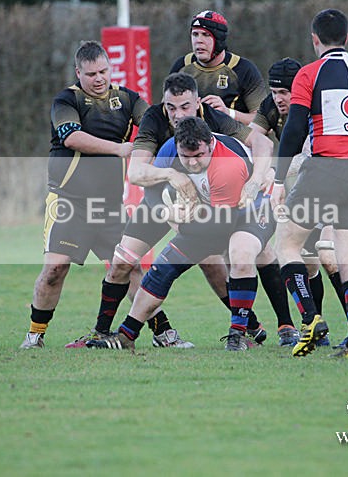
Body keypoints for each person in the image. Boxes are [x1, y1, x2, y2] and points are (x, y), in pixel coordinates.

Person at [81, 72, 273, 348]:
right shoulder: (154, 120)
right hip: (159, 195)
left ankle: (244, 326)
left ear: (197, 103)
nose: (178, 114)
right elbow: (136, 173)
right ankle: (104, 332)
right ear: (163, 104)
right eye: (171, 107)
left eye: (185, 107)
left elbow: (262, 143)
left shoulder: (215, 121)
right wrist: (173, 177)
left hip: (211, 205)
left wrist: (258, 180)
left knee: (214, 261)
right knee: (122, 261)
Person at [272, 8, 348, 358]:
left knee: (288, 246)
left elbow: (294, 130)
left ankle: (310, 319)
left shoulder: (309, 74)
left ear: (315, 40)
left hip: (324, 170)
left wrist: (279, 178)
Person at [19, 40, 149, 349]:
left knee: (131, 269)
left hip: (109, 207)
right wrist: (120, 148)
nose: (99, 78)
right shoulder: (66, 100)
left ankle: (164, 333)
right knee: (54, 269)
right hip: (69, 204)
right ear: (79, 72)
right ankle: (35, 334)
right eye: (91, 74)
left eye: (104, 71)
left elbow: (154, 124)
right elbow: (72, 138)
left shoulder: (127, 99)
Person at [169, 11, 266, 126]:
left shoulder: (243, 69)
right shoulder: (182, 66)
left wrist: (227, 112)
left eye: (206, 35)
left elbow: (263, 123)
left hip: (232, 140)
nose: (198, 40)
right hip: (188, 140)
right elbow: (166, 111)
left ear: (219, 40)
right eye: (195, 34)